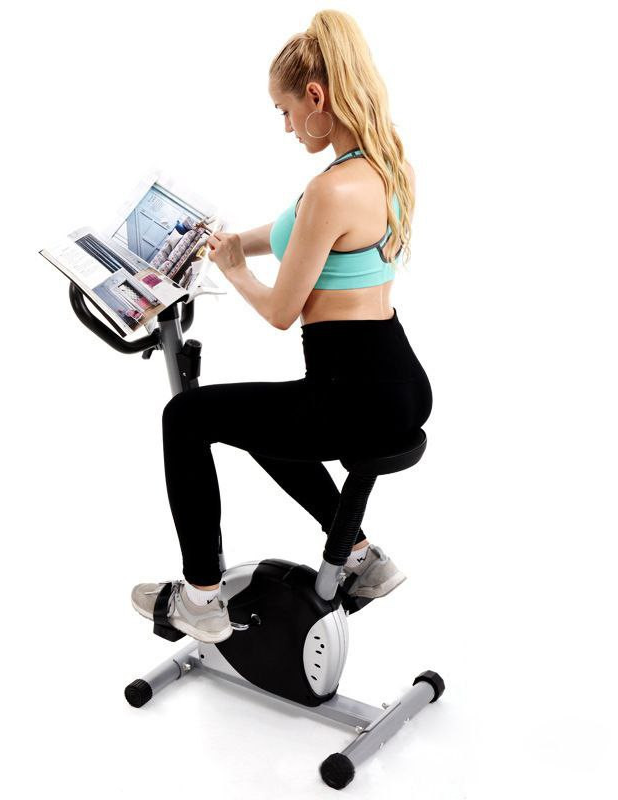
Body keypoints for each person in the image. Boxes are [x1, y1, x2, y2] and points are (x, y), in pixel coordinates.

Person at [131, 10, 433, 644]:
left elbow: (279, 311)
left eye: (287, 111)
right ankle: (359, 556)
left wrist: (236, 271)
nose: (288, 126)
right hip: (399, 384)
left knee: (185, 418)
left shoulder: (329, 189)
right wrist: (224, 243)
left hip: (350, 398)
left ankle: (200, 598)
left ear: (316, 98)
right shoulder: (386, 166)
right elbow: (297, 233)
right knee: (260, 418)